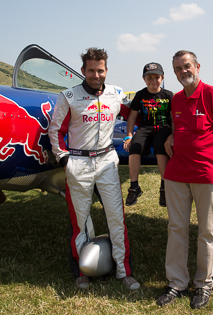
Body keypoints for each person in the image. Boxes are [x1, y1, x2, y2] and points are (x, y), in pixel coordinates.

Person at [48, 47, 140, 291]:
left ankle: (124, 271)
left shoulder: (116, 94)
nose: (96, 75)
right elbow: (55, 130)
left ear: (106, 70)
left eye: (100, 70)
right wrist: (63, 158)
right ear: (83, 71)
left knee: (116, 218)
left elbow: (137, 115)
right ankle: (81, 271)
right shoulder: (68, 96)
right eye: (91, 70)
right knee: (80, 220)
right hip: (78, 163)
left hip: (107, 161)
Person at [157, 50, 213, 309]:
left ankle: (203, 284)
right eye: (178, 68)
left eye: (187, 66)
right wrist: (170, 137)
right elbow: (176, 128)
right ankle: (177, 283)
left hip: (207, 175)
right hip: (177, 175)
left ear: (198, 66)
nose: (183, 72)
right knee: (176, 229)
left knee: (207, 231)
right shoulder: (177, 99)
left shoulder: (212, 94)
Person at [123, 62, 173, 207]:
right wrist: (129, 136)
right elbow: (132, 117)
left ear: (162, 78)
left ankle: (164, 187)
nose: (153, 81)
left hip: (163, 128)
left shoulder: (168, 95)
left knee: (161, 147)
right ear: (144, 79)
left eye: (156, 77)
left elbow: (174, 118)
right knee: (135, 147)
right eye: (149, 77)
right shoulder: (140, 95)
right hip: (145, 128)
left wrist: (172, 135)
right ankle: (134, 186)